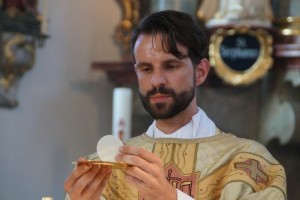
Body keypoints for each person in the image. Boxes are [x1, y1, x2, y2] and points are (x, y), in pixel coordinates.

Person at [64, 10, 286, 200]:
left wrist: (171, 197)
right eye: (146, 69)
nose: (156, 81)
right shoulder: (105, 171)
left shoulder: (248, 163)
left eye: (170, 66)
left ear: (200, 72)